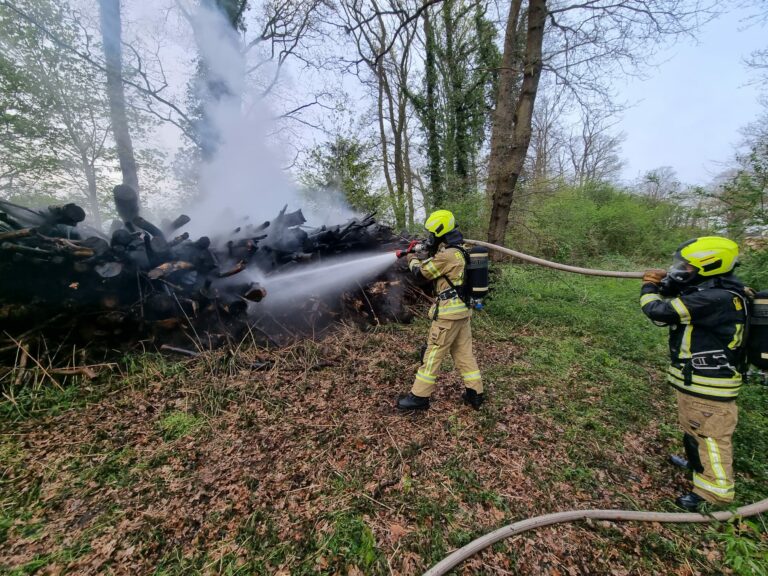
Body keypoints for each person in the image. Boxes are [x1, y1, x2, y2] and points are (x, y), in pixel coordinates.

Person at [640, 236, 748, 510]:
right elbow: (683, 298)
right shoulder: (718, 292)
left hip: (709, 385)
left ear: (710, 267)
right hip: (698, 382)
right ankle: (696, 465)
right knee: (695, 428)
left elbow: (659, 312)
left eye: (687, 267)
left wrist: (649, 287)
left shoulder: (713, 299)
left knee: (711, 438)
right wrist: (669, 283)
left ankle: (714, 494)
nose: (680, 270)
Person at [396, 210, 484, 411]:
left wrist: (412, 258)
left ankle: (419, 397)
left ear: (441, 231)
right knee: (464, 354)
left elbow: (421, 273)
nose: (430, 237)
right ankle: (475, 393)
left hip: (447, 316)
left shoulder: (448, 256)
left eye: (433, 234)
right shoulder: (463, 250)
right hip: (463, 312)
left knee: (433, 353)